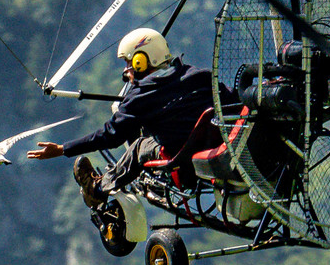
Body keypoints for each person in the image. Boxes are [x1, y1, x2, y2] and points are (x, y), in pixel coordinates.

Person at [27, 27, 215, 206]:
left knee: (140, 146)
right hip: (217, 152)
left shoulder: (141, 96)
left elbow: (110, 136)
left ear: (140, 61)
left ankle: (97, 190)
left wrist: (62, 149)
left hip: (182, 166)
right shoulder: (200, 75)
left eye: (129, 62)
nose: (126, 70)